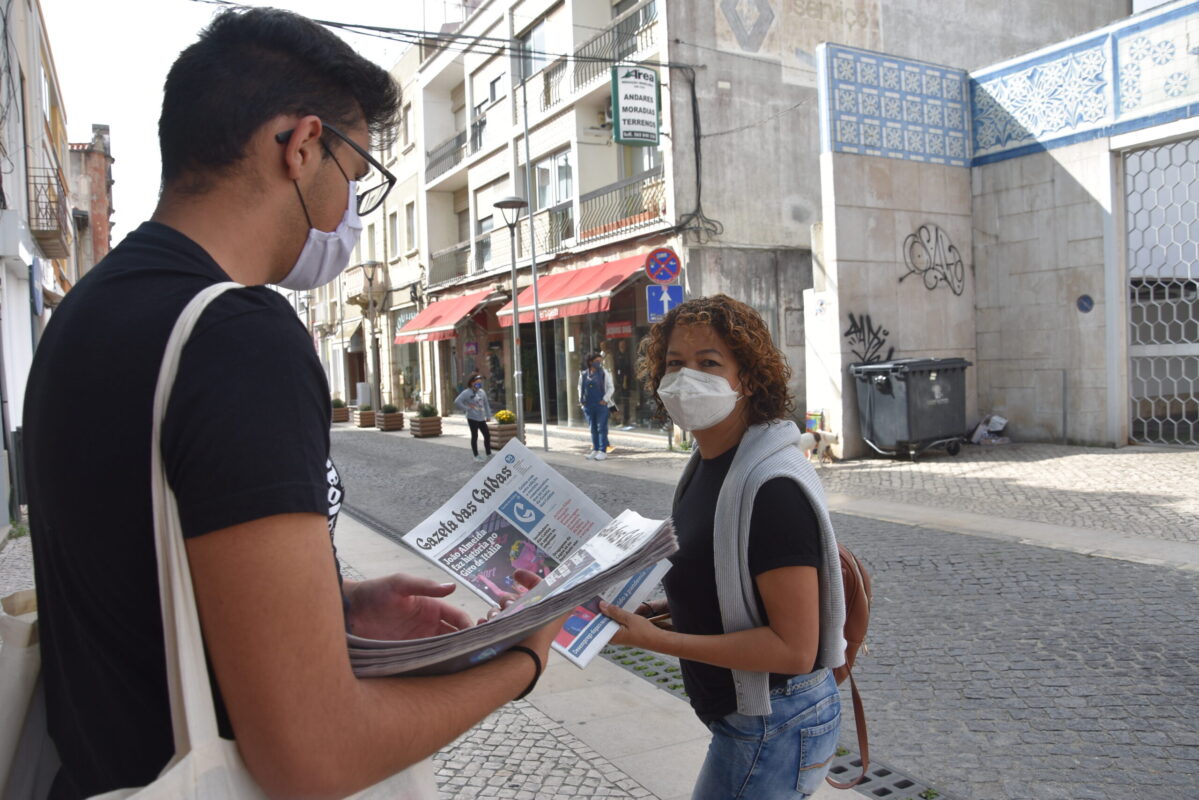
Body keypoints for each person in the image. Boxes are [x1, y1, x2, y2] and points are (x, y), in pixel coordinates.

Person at [22, 9, 564, 799]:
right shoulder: (238, 337)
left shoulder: (85, 310)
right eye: (356, 173)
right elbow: (313, 754)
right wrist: (520, 660)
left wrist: (331, 606)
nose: (350, 207)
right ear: (303, 146)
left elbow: (133, 571)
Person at [598, 295, 847, 800]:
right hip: (749, 718)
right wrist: (671, 609)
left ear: (747, 379)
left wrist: (655, 640)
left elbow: (794, 649)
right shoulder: (709, 463)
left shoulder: (770, 487)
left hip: (774, 722)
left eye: (708, 363)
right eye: (674, 363)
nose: (686, 378)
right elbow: (730, 580)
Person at [578, 350, 615, 460]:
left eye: (600, 361)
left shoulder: (604, 373)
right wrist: (581, 400)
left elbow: (611, 387)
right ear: (590, 362)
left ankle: (602, 451)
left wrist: (605, 399)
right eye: (597, 361)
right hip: (588, 405)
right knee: (592, 428)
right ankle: (595, 449)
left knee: (601, 428)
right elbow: (580, 388)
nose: (599, 363)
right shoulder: (583, 374)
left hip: (601, 405)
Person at [455, 373, 494, 462]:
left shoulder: (482, 392)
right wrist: (467, 408)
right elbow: (457, 401)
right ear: (472, 383)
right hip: (472, 417)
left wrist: (488, 415)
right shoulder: (466, 392)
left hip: (481, 417)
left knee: (487, 435)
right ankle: (476, 455)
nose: (479, 384)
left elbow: (486, 404)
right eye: (477, 382)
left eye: (480, 382)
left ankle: (488, 453)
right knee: (475, 436)